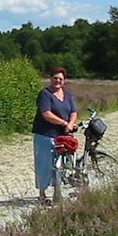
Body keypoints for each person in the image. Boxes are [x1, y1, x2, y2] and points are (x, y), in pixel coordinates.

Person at [32, 67, 78, 204]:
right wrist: (64, 123)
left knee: (61, 166)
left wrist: (70, 123)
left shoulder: (67, 94)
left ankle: (57, 193)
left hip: (62, 135)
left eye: (61, 79)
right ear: (50, 78)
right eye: (55, 78)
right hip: (45, 134)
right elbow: (46, 114)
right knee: (44, 164)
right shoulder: (45, 94)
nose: (58, 81)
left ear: (64, 81)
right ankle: (42, 194)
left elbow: (73, 112)